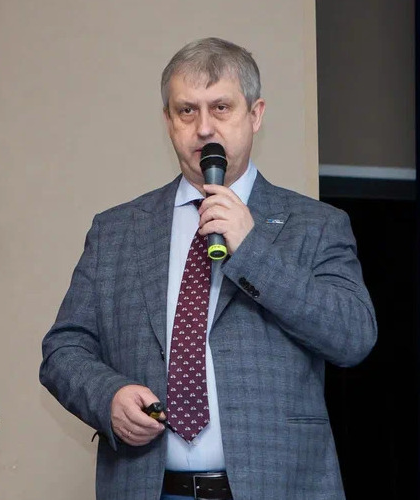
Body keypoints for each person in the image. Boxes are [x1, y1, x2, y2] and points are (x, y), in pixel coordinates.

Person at [39, 37, 376, 500]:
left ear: (255, 114)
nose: (203, 128)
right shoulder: (117, 230)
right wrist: (108, 397)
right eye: (186, 111)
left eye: (221, 108)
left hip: (278, 487)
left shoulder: (316, 225)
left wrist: (252, 249)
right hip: (150, 489)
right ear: (168, 121)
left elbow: (353, 337)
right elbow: (64, 349)